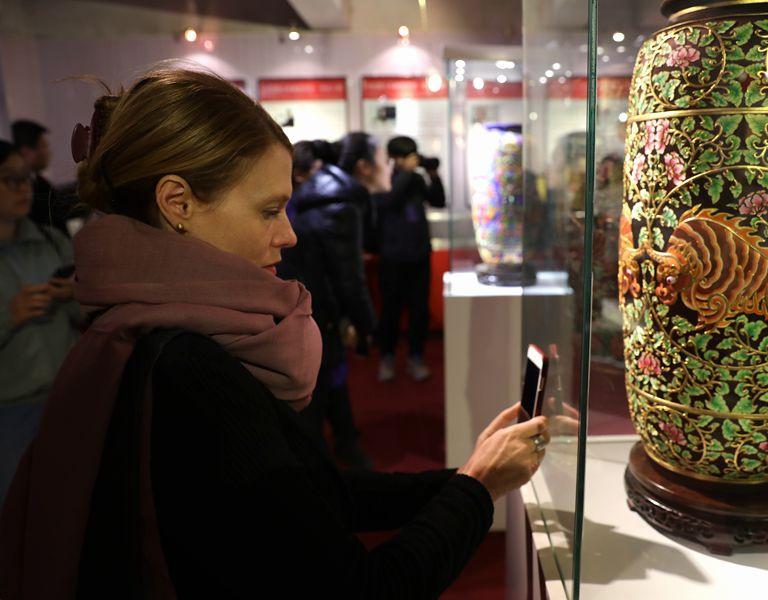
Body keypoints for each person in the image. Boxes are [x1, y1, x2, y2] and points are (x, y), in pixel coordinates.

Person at [0, 68, 550, 600]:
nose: (287, 234)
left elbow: (310, 496)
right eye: (269, 210)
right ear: (178, 204)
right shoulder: (189, 364)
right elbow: (362, 588)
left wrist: (472, 474)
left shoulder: (136, 325)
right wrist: (476, 490)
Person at [278, 135, 384, 468]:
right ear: (364, 167)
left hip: (310, 303)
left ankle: (344, 441)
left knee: (330, 375)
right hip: (312, 306)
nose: (386, 167)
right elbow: (348, 276)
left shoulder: (326, 195)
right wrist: (367, 326)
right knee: (317, 386)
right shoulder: (339, 199)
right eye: (381, 159)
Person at [0, 141, 81, 505]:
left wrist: (74, 295)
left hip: (67, 398)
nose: (22, 189)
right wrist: (9, 316)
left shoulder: (51, 241)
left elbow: (89, 318)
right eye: (9, 180)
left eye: (26, 179)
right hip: (10, 410)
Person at [377, 135, 445, 382]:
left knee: (419, 310)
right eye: (407, 157)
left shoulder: (416, 179)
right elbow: (390, 200)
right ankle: (387, 356)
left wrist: (433, 174)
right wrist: (406, 173)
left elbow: (438, 201)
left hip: (418, 255)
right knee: (391, 310)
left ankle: (416, 356)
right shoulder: (385, 178)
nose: (411, 161)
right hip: (392, 255)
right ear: (395, 159)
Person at [11, 120, 67, 237]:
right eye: (44, 146)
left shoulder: (40, 182)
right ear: (26, 152)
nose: (48, 152)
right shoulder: (22, 191)